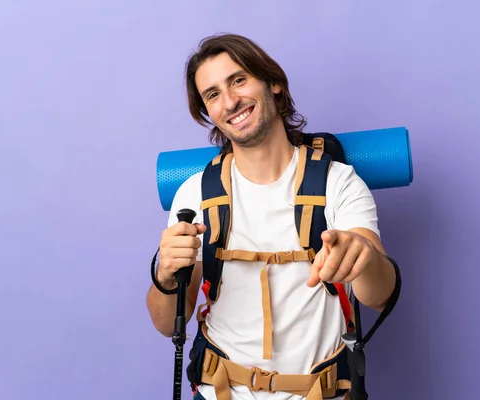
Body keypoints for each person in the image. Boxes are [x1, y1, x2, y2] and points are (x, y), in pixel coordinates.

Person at [146, 33, 398, 400]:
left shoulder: (338, 182)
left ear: (274, 83)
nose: (230, 101)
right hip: (220, 392)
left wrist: (361, 257)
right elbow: (169, 323)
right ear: (208, 113)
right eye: (213, 95)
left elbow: (381, 295)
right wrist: (166, 276)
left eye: (238, 80)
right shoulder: (195, 192)